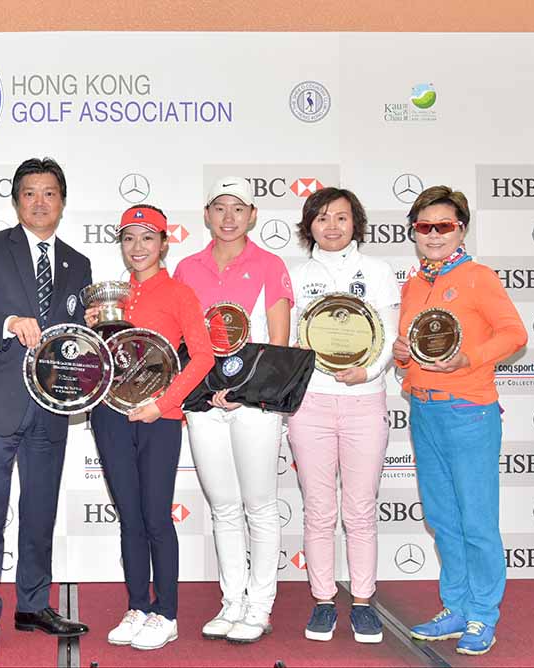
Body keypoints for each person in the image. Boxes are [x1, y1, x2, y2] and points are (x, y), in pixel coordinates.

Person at [0, 157, 92, 659]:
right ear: (16, 201)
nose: (39, 202)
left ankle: (33, 603)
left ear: (62, 200)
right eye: (29, 193)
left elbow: (78, 340)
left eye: (49, 193)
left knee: (40, 511)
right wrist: (9, 321)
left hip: (53, 406)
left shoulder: (79, 264)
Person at [392, 186, 526, 656]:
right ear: (414, 231)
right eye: (424, 226)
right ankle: (456, 607)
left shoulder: (478, 277)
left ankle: (483, 615)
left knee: (477, 520)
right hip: (423, 409)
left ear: (461, 229)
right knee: (443, 519)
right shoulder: (413, 284)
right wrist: (402, 357)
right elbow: (414, 352)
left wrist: (469, 358)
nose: (433, 235)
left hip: (468, 410)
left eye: (443, 226)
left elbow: (514, 333)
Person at [84, 205, 213, 650]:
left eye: (147, 238)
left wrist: (163, 404)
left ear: (164, 243)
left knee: (157, 516)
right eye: (129, 238)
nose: (137, 248)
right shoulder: (107, 299)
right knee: (130, 516)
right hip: (110, 414)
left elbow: (202, 358)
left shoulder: (179, 293)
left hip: (160, 417)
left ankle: (167, 612)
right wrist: (89, 335)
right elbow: (97, 361)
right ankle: (138, 605)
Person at [173, 177, 293, 644]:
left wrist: (241, 390)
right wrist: (209, 390)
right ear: (206, 214)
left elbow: (278, 342)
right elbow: (183, 341)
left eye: (237, 208)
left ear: (253, 215)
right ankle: (232, 603)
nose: (228, 217)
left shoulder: (269, 264)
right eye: (219, 207)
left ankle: (259, 606)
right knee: (223, 507)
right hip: (204, 401)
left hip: (255, 402)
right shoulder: (187, 267)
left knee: (259, 506)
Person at [287, 188, 400, 643]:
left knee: (359, 509)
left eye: (341, 218)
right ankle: (322, 600)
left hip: (364, 399)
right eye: (322, 218)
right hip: (310, 403)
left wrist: (369, 370)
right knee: (318, 509)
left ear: (357, 223)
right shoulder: (294, 275)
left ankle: (365, 602)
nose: (331, 226)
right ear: (308, 225)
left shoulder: (377, 270)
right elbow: (286, 338)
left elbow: (390, 336)